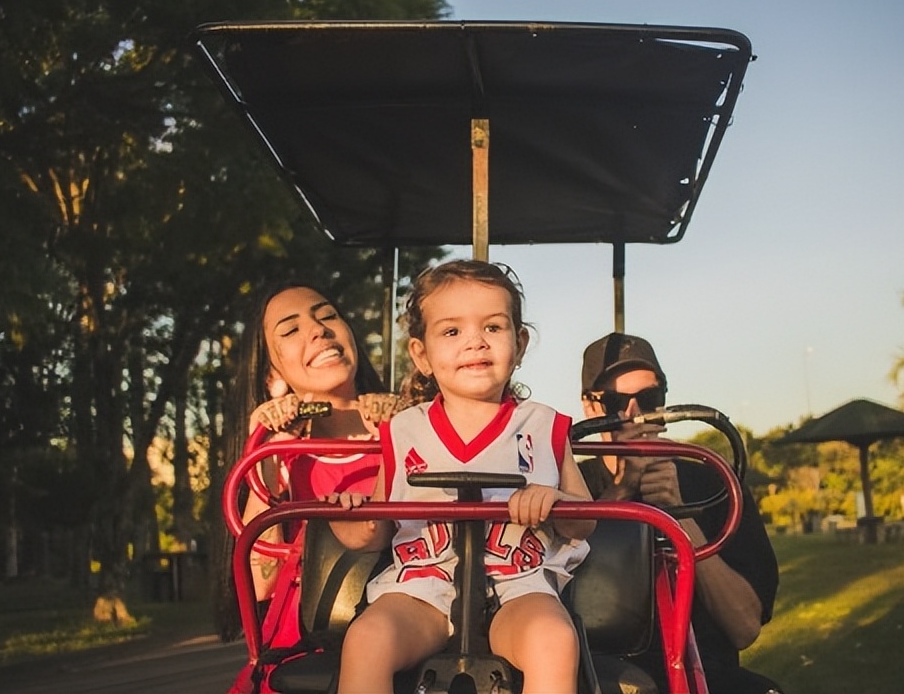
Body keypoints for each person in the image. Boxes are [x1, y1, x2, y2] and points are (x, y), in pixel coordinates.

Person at [330, 260, 595, 694]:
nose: (474, 341)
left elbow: (584, 521)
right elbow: (374, 533)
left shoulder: (544, 426)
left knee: (554, 640)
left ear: (520, 342)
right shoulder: (402, 431)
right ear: (422, 355)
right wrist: (352, 516)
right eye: (452, 332)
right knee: (367, 638)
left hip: (518, 587)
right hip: (422, 588)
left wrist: (555, 499)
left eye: (492, 327)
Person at [578, 333, 781, 694]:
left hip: (705, 671)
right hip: (598, 673)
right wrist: (622, 491)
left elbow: (745, 627)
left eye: (649, 398)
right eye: (614, 401)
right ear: (590, 408)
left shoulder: (714, 479)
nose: (633, 414)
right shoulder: (571, 485)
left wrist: (679, 515)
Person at [226, 280, 395, 694]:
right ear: (272, 376)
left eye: (327, 316)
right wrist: (267, 448)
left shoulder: (407, 425)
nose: (317, 330)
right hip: (310, 632)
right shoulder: (284, 455)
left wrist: (400, 432)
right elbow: (261, 581)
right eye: (291, 330)